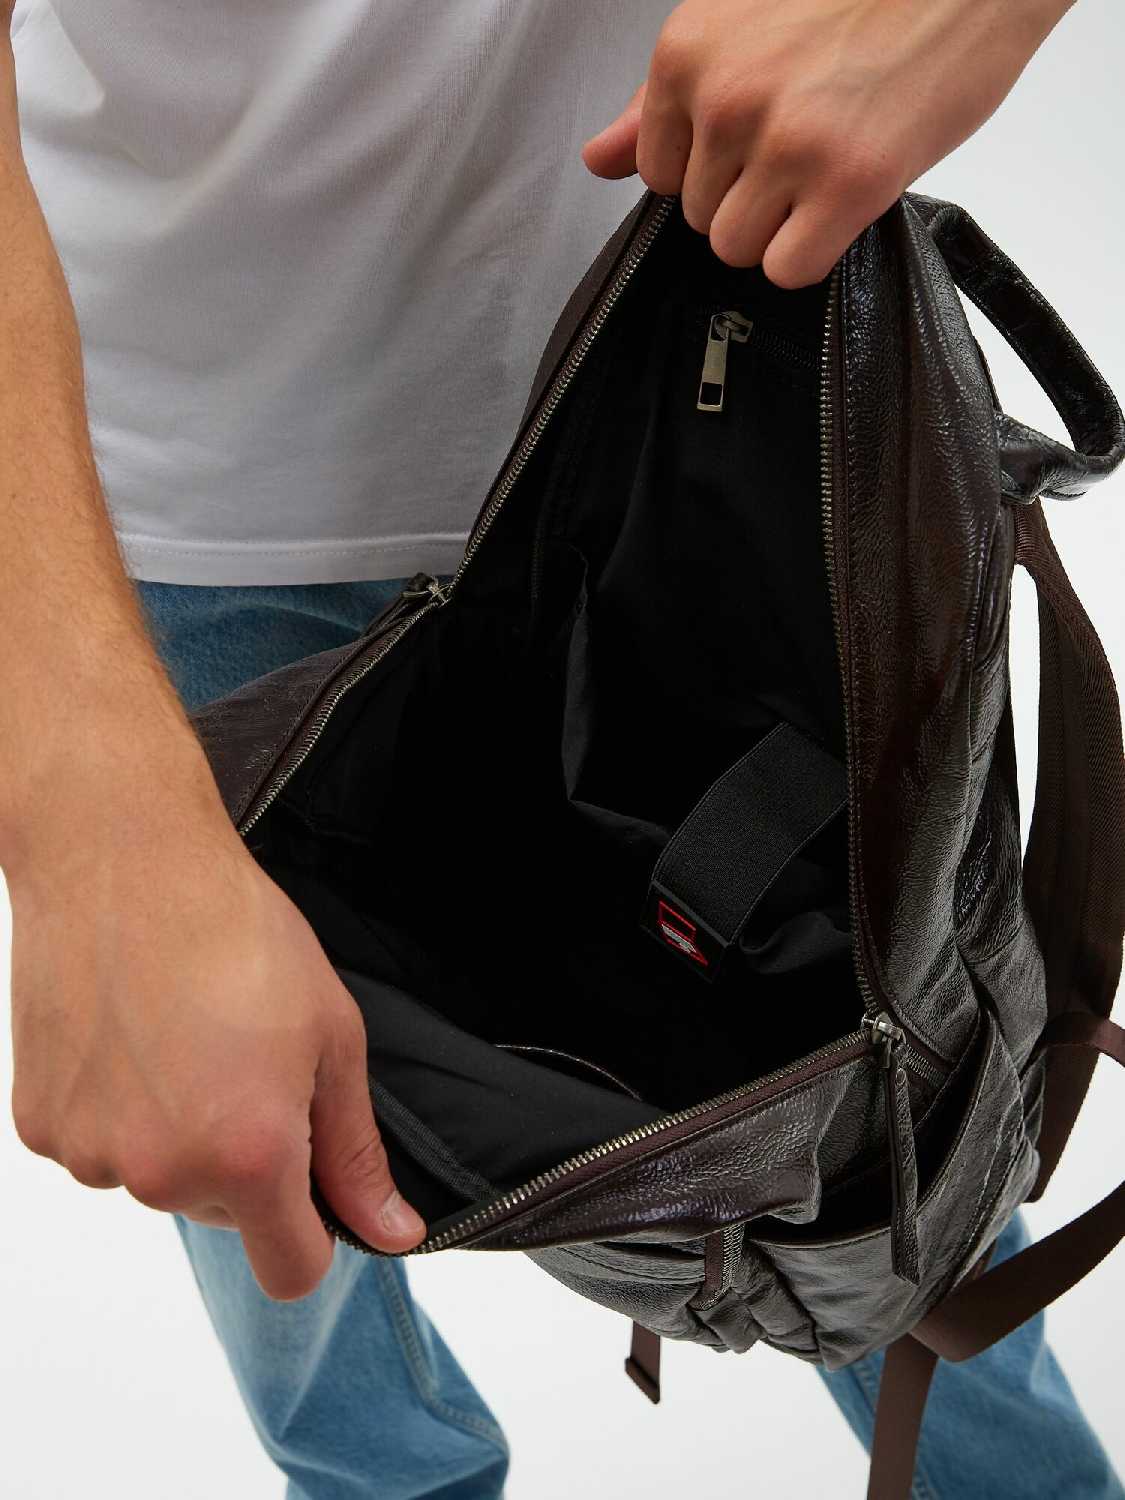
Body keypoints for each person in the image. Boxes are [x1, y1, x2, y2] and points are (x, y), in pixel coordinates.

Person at [1, 1, 1119, 1496]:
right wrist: (90, 821)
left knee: (876, 1114)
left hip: (695, 385)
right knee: (259, 1164)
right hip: (180, 493)